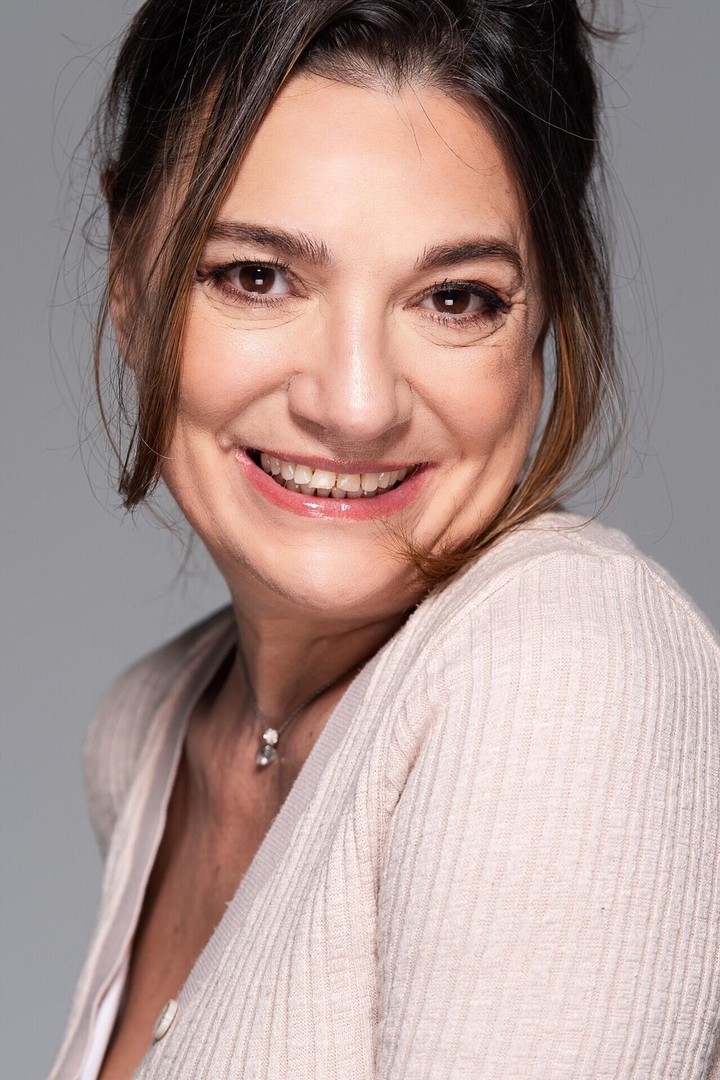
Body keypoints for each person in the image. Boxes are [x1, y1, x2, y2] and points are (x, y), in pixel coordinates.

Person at [50, 1, 720, 1078]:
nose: (357, 406)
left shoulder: (563, 665)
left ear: (545, 313)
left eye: (454, 298)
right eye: (257, 276)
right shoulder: (145, 735)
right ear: (130, 280)